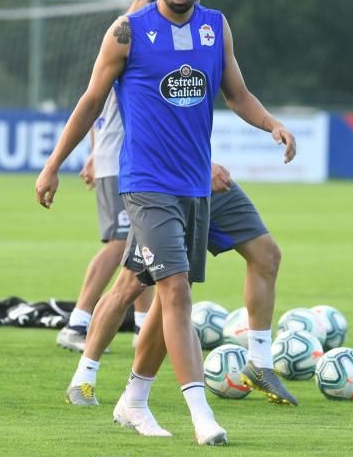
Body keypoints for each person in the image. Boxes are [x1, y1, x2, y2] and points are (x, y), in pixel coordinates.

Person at [36, 0, 296, 446]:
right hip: (146, 185)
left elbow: (237, 93)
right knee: (175, 289)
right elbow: (90, 102)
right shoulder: (127, 32)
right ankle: (201, 415)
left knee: (155, 293)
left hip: (195, 187)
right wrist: (53, 165)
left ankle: (131, 398)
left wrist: (270, 124)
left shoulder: (215, 28)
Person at [65, 162, 297, 406]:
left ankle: (260, 364)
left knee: (266, 255)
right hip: (163, 191)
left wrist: (271, 125)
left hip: (205, 185)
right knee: (132, 285)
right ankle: (84, 378)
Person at [55, 0, 156, 354]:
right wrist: (99, 155)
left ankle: (144, 328)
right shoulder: (131, 33)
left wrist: (94, 152)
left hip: (118, 158)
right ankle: (78, 322)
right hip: (119, 161)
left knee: (141, 248)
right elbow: (95, 101)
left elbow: (102, 104)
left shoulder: (128, 31)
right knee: (119, 244)